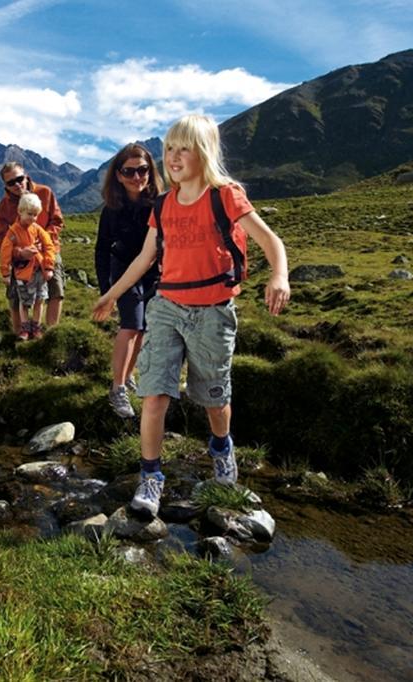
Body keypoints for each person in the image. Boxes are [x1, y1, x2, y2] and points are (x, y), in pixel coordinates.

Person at [91, 114, 290, 519]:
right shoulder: (161, 205)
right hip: (166, 307)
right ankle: (151, 477)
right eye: (169, 148)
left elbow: (271, 240)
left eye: (184, 148)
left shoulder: (226, 196)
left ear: (204, 152)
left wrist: (279, 275)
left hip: (213, 314)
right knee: (154, 393)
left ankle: (221, 448)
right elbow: (146, 258)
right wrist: (111, 295)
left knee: (214, 398)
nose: (174, 157)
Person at [95, 143, 163, 419]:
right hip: (122, 271)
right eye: (129, 171)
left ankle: (128, 376)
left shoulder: (159, 202)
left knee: (144, 328)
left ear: (150, 171)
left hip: (154, 273)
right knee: (130, 325)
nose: (137, 177)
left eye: (143, 170)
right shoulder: (111, 209)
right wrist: (107, 291)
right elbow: (101, 249)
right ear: (119, 175)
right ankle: (118, 387)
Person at [0, 162, 65, 334]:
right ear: (6, 186)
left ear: (25, 175)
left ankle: (49, 334)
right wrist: (19, 252)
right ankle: (20, 335)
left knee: (55, 290)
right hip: (20, 259)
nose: (17, 184)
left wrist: (44, 239)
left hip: (47, 251)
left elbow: (57, 221)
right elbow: (0, 238)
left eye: (19, 179)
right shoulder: (3, 207)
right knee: (15, 296)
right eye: (11, 183)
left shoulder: (45, 193)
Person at [0, 193, 56, 341]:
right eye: (30, 214)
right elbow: (5, 251)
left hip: (39, 272)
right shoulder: (13, 232)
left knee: (40, 299)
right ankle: (25, 329)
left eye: (36, 215)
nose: (33, 218)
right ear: (20, 212)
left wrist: (49, 266)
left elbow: (49, 245)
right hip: (23, 274)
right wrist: (5, 273)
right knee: (24, 302)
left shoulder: (37, 229)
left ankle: (36, 327)